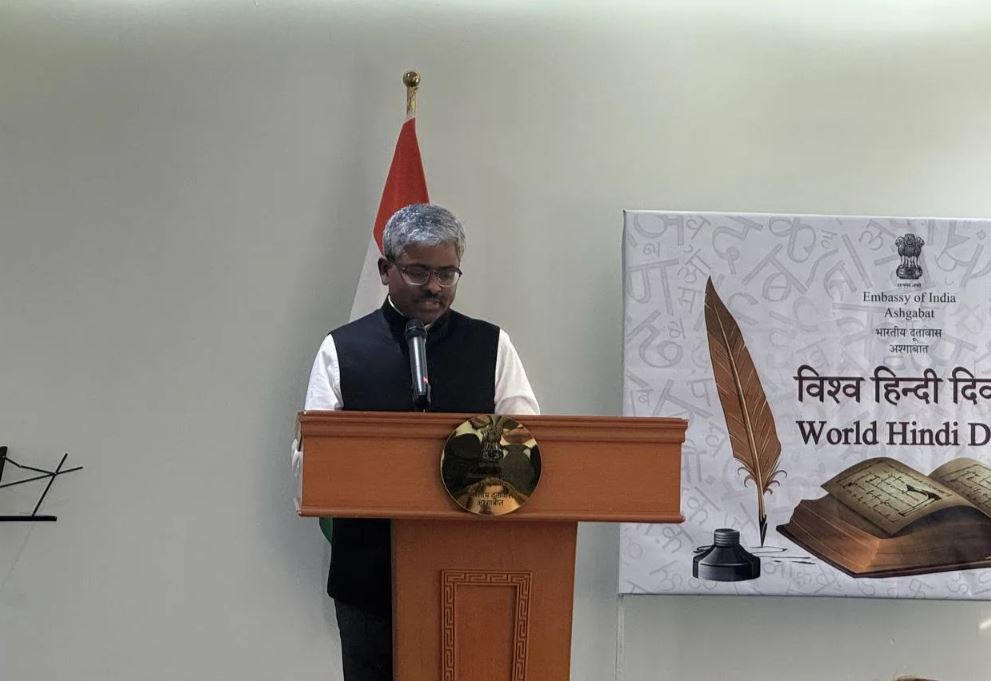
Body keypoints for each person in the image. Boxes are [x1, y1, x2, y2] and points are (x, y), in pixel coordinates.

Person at [293, 203, 539, 681]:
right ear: (385, 271)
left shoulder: (491, 345)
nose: (434, 286)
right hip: (369, 574)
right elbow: (312, 463)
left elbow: (527, 445)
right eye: (419, 272)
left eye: (447, 274)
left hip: (470, 567)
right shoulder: (342, 349)